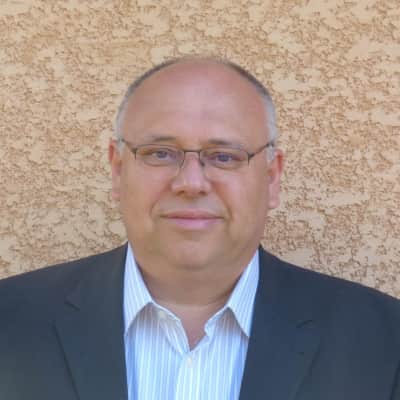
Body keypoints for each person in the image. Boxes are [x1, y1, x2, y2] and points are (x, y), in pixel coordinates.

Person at [1, 57, 399, 400]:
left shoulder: (383, 342)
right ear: (118, 170)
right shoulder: (10, 322)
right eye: (160, 153)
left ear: (272, 178)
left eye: (224, 156)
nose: (191, 183)